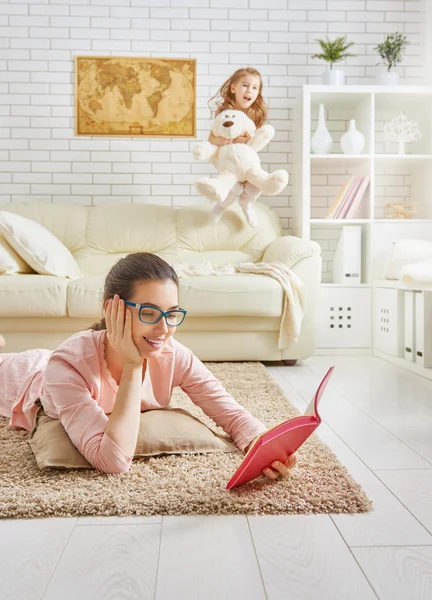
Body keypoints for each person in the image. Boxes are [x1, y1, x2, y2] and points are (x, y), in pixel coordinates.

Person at [0, 253, 296, 478]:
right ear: (111, 309)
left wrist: (266, 448)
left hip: (49, 360)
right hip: (23, 377)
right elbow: (113, 461)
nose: (164, 328)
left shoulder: (173, 355)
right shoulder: (67, 367)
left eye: (172, 313)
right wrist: (132, 363)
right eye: (150, 313)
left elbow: (230, 413)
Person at [207, 67, 269, 225]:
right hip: (229, 161)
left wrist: (248, 140)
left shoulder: (255, 114)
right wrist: (224, 141)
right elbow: (212, 137)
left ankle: (246, 205)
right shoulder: (225, 113)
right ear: (233, 88)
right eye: (245, 85)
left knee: (256, 185)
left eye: (255, 88)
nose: (250, 90)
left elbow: (255, 143)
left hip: (247, 160)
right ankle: (220, 207)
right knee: (232, 189)